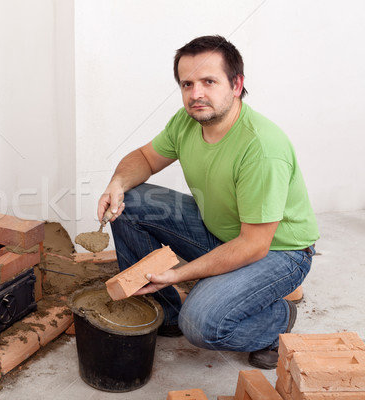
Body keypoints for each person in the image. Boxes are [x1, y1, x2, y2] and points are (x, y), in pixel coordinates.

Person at [98, 35, 319, 369]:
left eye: (208, 81)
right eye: (187, 84)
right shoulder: (188, 120)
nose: (196, 93)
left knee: (200, 324)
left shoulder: (261, 148)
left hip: (278, 253)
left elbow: (254, 246)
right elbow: (144, 157)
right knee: (130, 199)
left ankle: (277, 318)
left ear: (236, 84)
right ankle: (165, 313)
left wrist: (178, 274)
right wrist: (116, 183)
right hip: (223, 233)